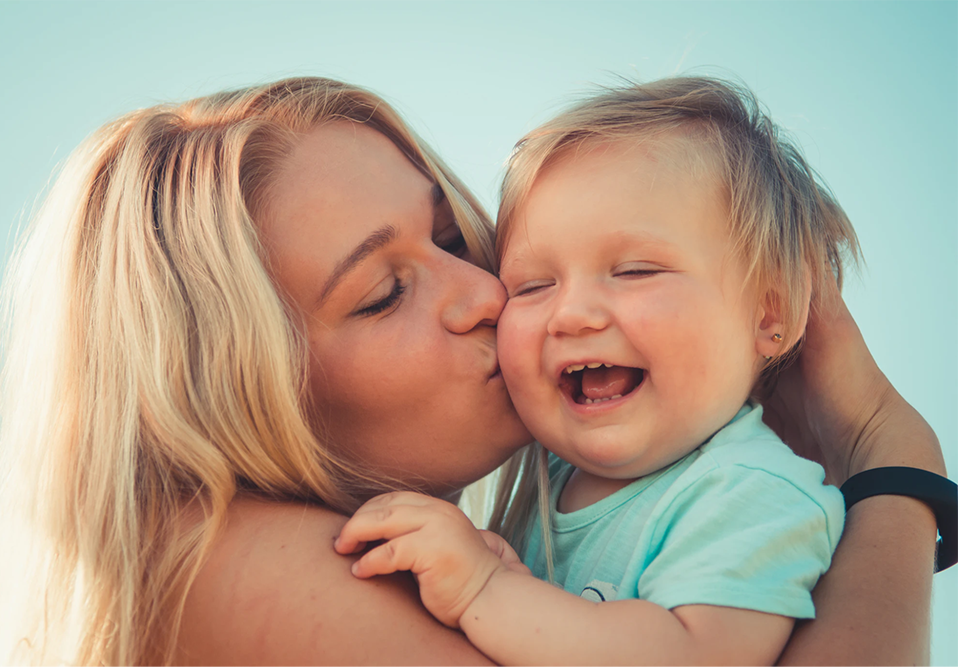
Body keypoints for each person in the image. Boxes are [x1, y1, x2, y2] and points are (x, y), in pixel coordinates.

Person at [0, 77, 945, 667]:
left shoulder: (587, 506)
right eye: (383, 293)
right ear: (228, 388)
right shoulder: (229, 559)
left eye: (447, 235)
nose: (484, 292)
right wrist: (895, 468)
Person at [334, 77, 858, 667]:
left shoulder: (753, 489)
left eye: (634, 271)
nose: (573, 315)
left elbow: (694, 655)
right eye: (532, 286)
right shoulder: (546, 478)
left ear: (770, 314)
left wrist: (486, 589)